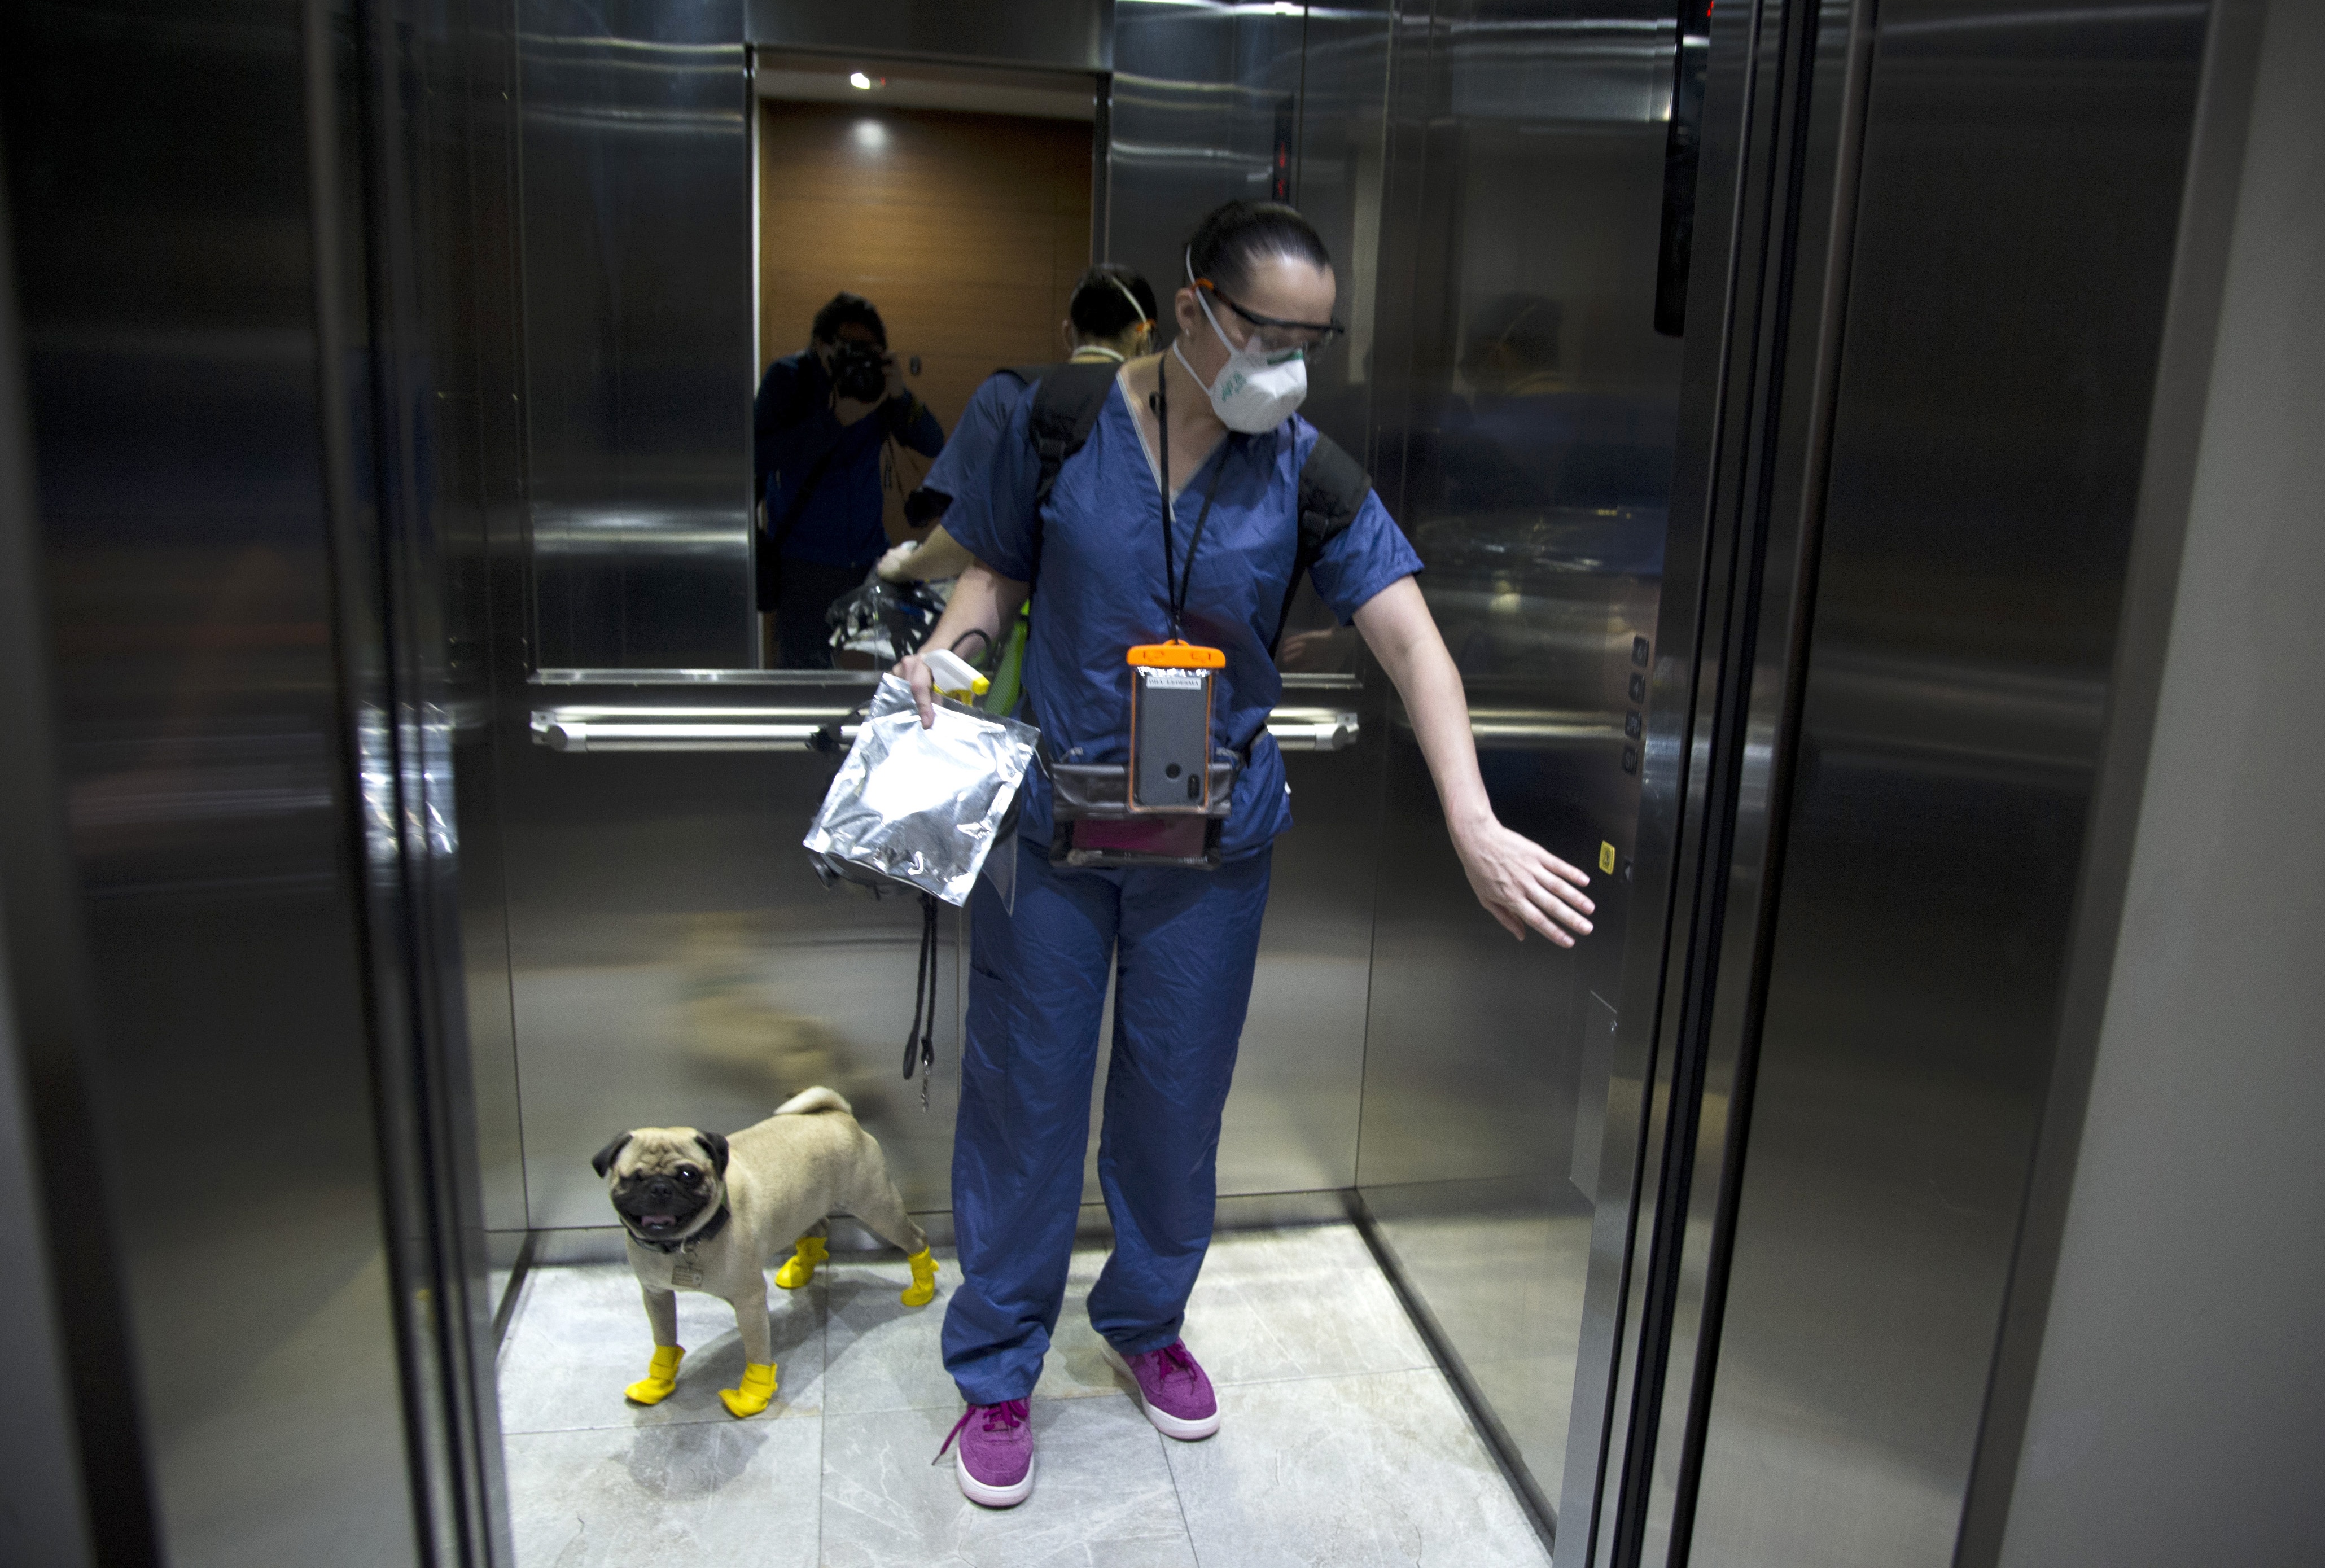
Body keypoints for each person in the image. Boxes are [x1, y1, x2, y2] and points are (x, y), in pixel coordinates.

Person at [894, 200, 1598, 1508]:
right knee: (1025, 1103)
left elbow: (1410, 641)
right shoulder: (1045, 418)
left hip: (1209, 850)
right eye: (1265, 329)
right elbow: (988, 585)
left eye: (1311, 338)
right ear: (1192, 307)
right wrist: (952, 653)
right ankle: (996, 1370)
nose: (1287, 359)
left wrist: (1471, 815)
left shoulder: (1311, 470)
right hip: (1053, 830)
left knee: (1175, 1104)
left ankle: (1145, 1321)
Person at [877, 264, 1159, 711]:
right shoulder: (1163, 418)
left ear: (1068, 330)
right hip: (1139, 670)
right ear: (1145, 336)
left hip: (1013, 650)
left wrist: (905, 568)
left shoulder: (1013, 394)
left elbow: (971, 539)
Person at [753, 292, 944, 667]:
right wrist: (835, 420)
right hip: (803, 564)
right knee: (804, 676)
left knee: (875, 674)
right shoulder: (790, 379)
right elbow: (760, 455)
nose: (859, 358)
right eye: (849, 347)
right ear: (820, 345)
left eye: (870, 350)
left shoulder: (875, 386)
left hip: (867, 559)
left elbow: (932, 441)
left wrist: (900, 396)